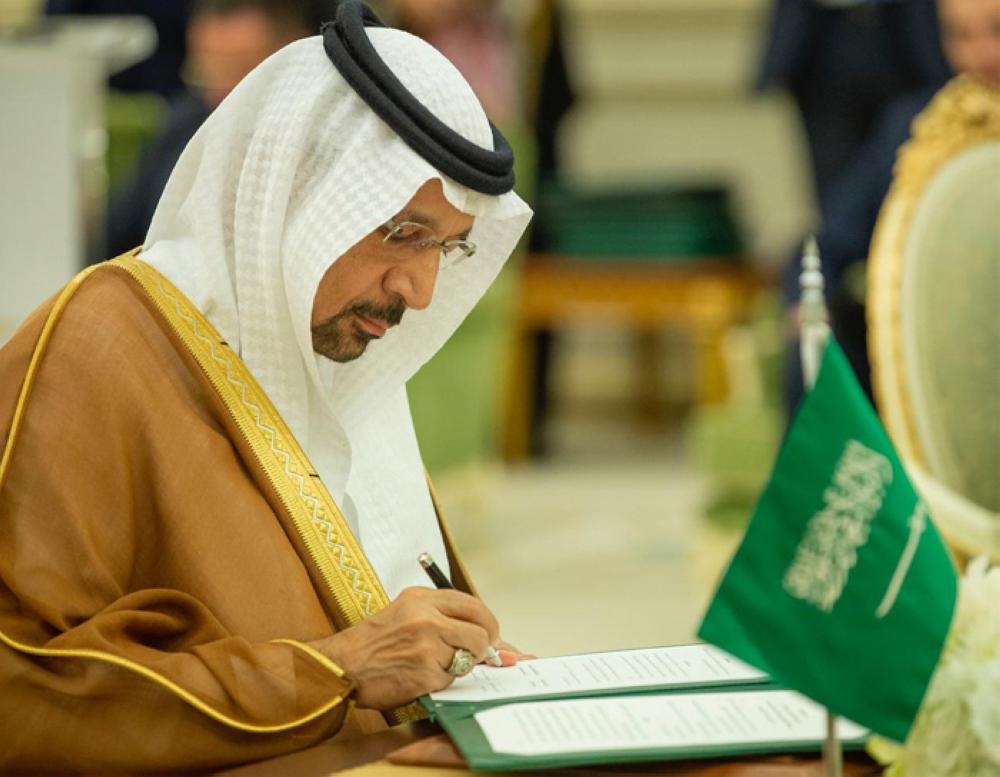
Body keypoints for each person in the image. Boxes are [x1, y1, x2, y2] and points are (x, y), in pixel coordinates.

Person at [0, 2, 532, 772]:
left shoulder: (345, 361)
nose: (419, 290)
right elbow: (19, 690)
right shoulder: (100, 342)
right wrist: (335, 671)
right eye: (403, 232)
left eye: (447, 248)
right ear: (295, 194)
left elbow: (395, 656)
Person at [781, 0, 1000, 414]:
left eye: (997, 31)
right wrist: (810, 299)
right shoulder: (915, 126)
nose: (982, 55)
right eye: (962, 36)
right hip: (935, 338)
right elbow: (831, 237)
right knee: (819, 341)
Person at [104, 0, 323, 258]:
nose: (218, 95)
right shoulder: (183, 124)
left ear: (294, 46)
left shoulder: (313, 142)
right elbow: (119, 237)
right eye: (206, 72)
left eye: (236, 73)